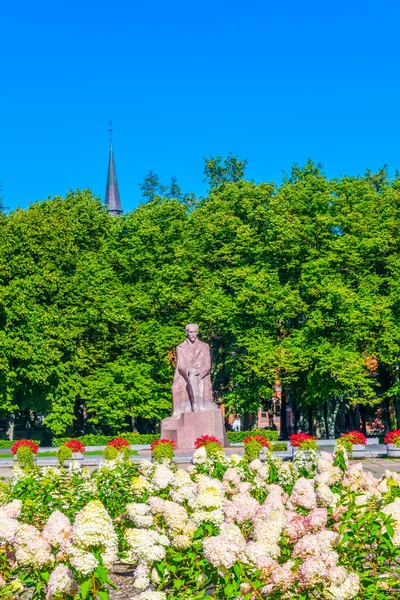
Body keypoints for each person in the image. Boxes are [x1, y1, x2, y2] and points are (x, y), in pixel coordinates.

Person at [171, 324, 215, 417]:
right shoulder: (180, 347)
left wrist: (198, 372)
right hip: (185, 375)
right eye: (191, 332)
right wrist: (188, 371)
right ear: (186, 332)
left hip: (201, 374)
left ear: (198, 332)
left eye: (195, 332)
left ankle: (197, 405)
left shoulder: (205, 346)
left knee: (194, 378)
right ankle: (194, 406)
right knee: (177, 386)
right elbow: (180, 365)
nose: (193, 334)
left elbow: (207, 365)